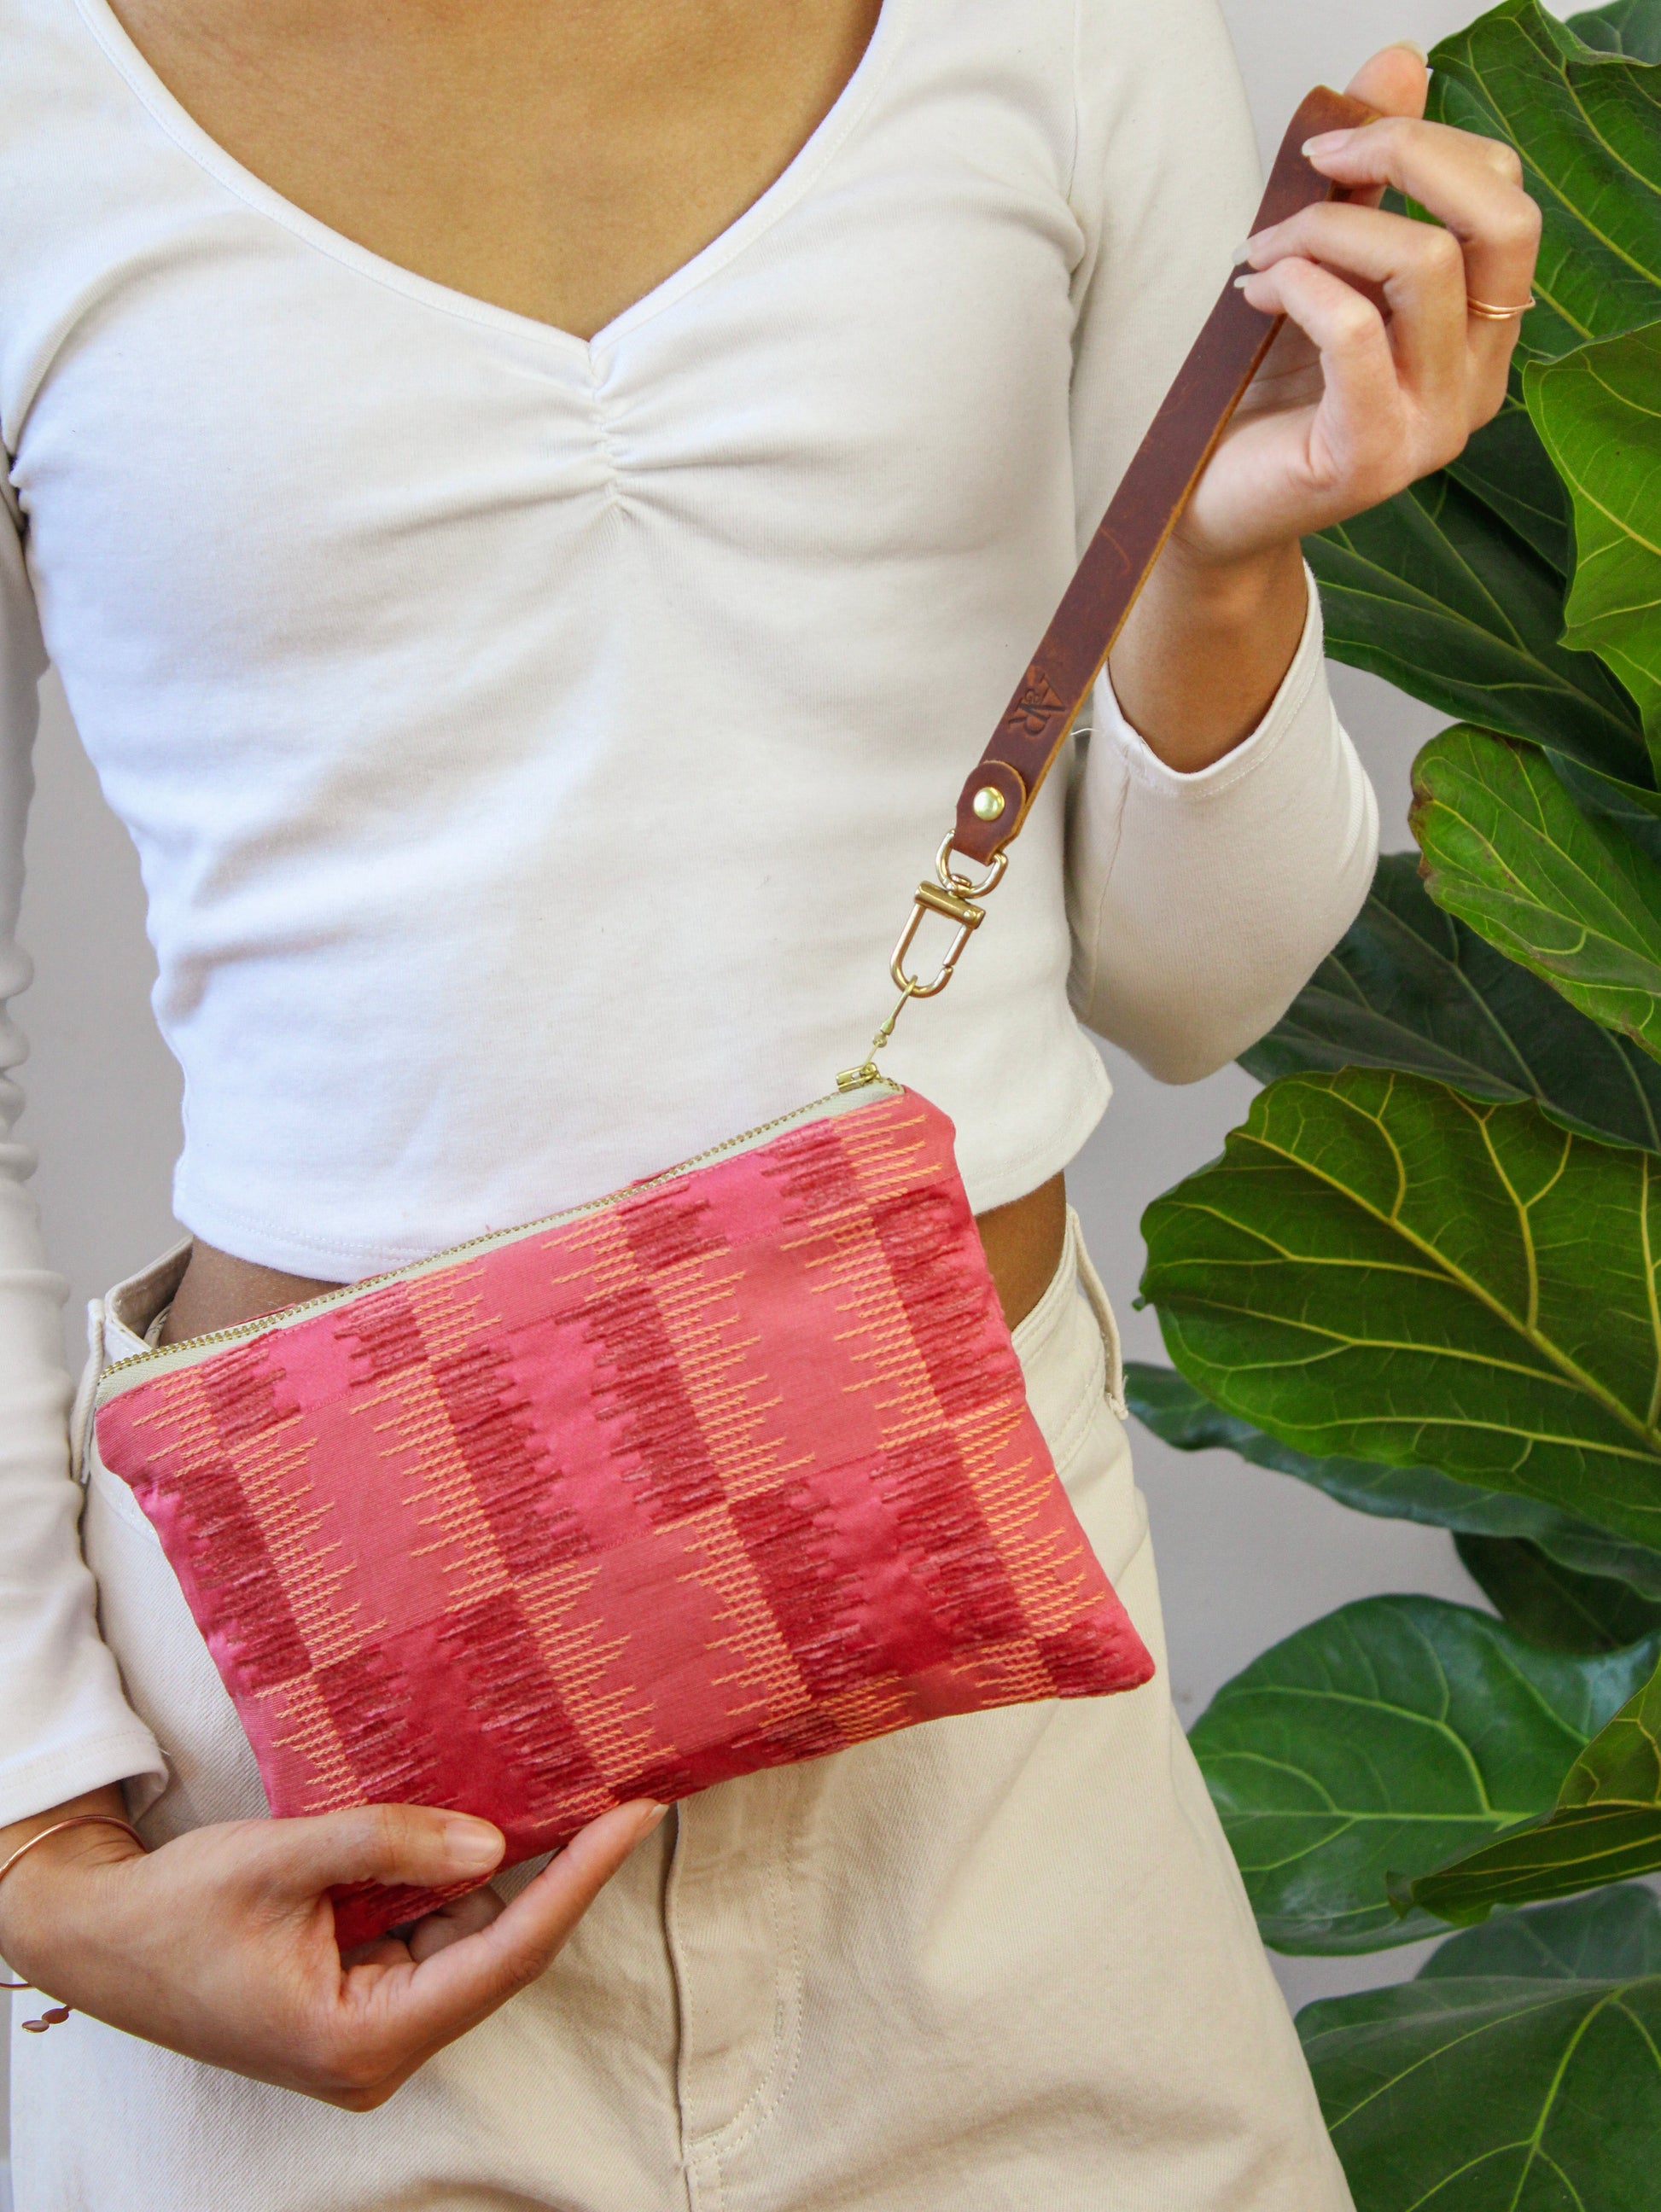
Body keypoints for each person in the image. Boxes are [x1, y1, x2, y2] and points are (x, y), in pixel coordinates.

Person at [0, 0, 1539, 2204]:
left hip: (992, 1725)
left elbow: (1198, 992)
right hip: (312, 1751)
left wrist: (1221, 572)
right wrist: (40, 1837)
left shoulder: (1059, 31)